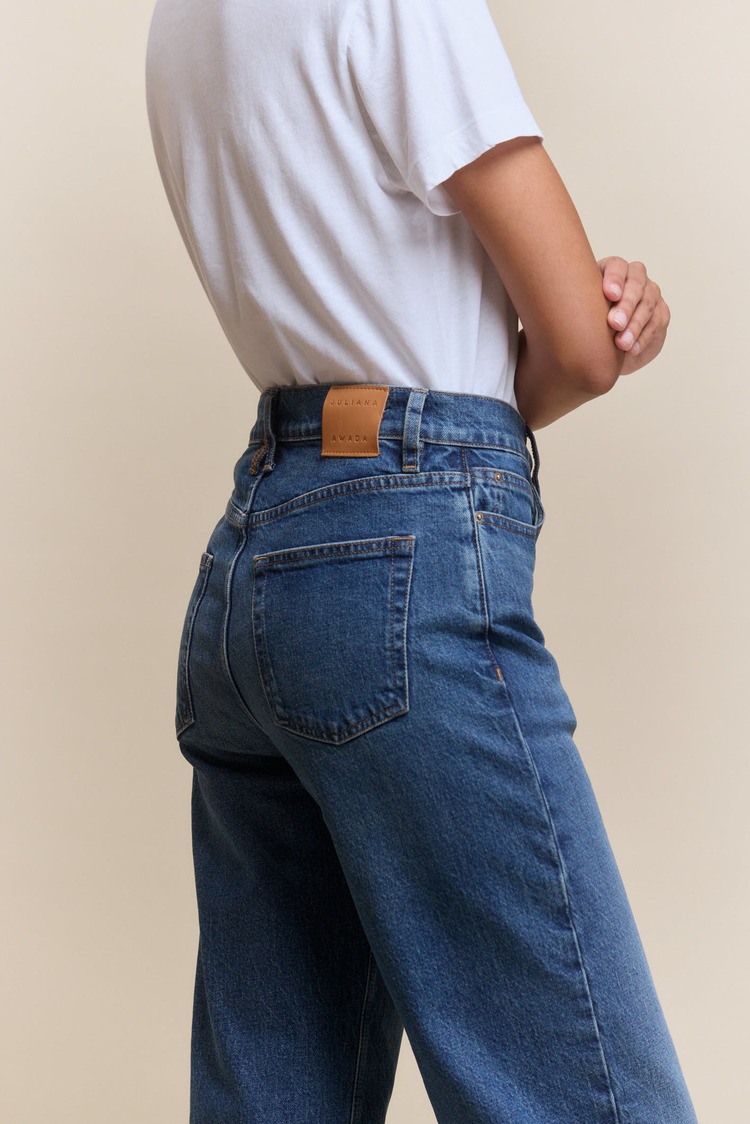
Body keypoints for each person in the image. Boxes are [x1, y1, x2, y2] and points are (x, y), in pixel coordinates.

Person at [144, 1, 697, 1122]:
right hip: (397, 561)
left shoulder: (181, 21)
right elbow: (576, 349)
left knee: (275, 1093)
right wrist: (582, 329)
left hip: (258, 550)